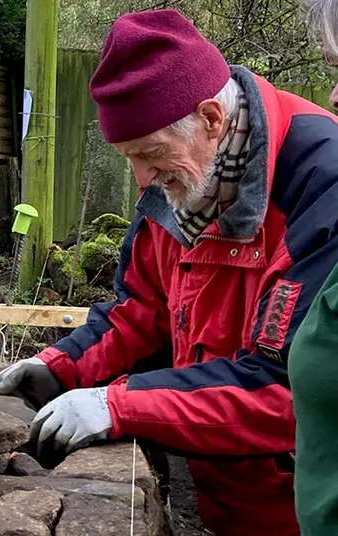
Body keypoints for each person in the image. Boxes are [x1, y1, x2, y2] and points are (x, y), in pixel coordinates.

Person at [0, 9, 338, 536]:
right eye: (128, 156)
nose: (141, 178)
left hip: (303, 509)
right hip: (223, 496)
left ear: (213, 119)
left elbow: (286, 388)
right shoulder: (182, 180)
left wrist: (116, 405)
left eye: (149, 154)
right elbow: (138, 312)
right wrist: (58, 368)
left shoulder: (321, 182)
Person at [287, 1, 338, 533]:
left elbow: (269, 377)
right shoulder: (169, 198)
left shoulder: (320, 182)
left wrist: (125, 405)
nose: (334, 97)